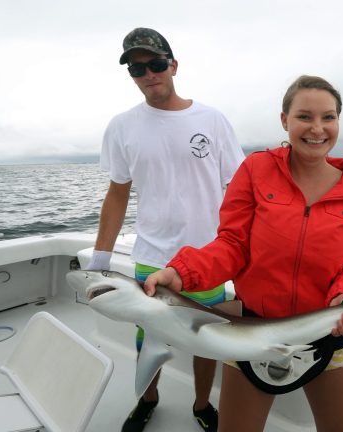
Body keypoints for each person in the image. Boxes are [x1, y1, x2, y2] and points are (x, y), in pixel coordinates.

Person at [144, 75, 343, 432]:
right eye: (305, 116)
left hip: (327, 332)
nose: (317, 128)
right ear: (284, 120)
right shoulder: (256, 170)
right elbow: (232, 245)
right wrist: (181, 273)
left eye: (328, 117)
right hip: (252, 330)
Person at [86, 27, 245, 432]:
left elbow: (239, 191)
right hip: (152, 256)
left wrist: (245, 254)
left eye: (156, 64)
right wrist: (99, 262)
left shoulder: (211, 119)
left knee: (206, 336)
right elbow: (117, 194)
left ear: (173, 65)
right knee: (147, 334)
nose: (148, 74)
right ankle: (148, 399)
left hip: (208, 257)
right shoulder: (121, 127)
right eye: (137, 69)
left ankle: (201, 404)